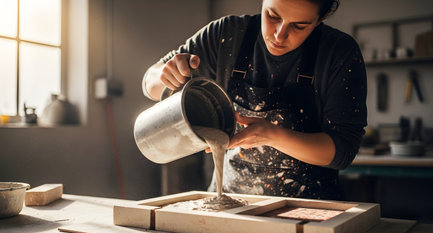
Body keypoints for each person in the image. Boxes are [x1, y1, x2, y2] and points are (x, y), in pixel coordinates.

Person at [142, 0, 367, 200]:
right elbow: (149, 84)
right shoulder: (227, 34)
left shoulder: (339, 53)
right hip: (229, 203)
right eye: (273, 16)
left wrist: (274, 135)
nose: (279, 35)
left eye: (299, 26)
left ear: (321, 18)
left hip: (307, 212)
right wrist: (167, 74)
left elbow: (342, 151)